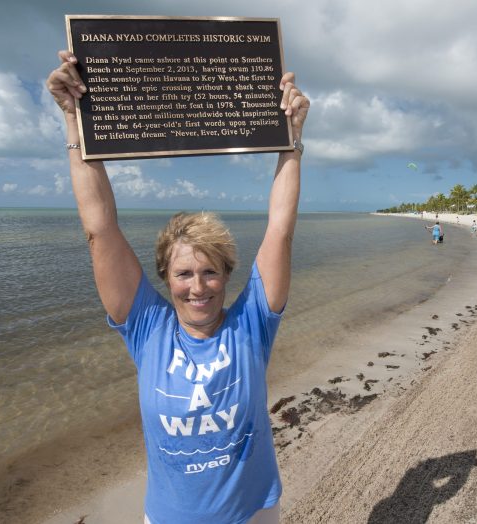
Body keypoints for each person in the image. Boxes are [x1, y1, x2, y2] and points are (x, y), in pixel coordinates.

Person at [46, 50, 310, 524]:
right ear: (164, 279)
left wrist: (291, 143)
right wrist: (74, 122)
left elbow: (280, 229)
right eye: (184, 274)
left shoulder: (252, 323)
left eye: (210, 272)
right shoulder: (147, 329)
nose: (198, 287)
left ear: (229, 275)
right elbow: (100, 231)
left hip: (255, 513)